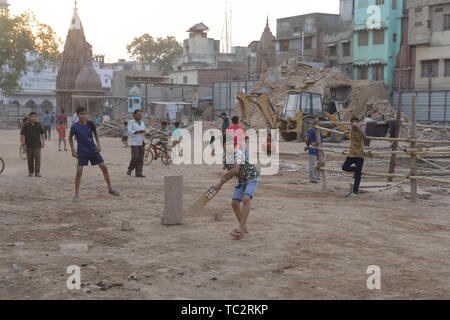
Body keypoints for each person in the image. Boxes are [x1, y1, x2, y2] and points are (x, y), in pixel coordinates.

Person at [69, 107, 120, 202]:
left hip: (93, 150)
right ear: (77, 115)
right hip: (81, 152)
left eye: (85, 114)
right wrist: (72, 150)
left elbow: (96, 134)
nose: (83, 116)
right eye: (81, 114)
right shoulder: (74, 127)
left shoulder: (90, 124)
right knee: (79, 172)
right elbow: (70, 138)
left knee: (104, 167)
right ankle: (76, 194)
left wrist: (99, 144)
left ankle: (110, 188)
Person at [216, 135, 261, 240]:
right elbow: (231, 174)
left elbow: (235, 170)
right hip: (242, 180)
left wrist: (224, 176)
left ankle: (241, 227)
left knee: (246, 198)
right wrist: (220, 184)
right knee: (234, 203)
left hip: (252, 176)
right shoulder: (225, 158)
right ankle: (243, 226)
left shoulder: (237, 153)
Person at [342, 116, 367, 197]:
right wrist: (346, 132)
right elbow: (350, 136)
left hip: (359, 155)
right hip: (352, 154)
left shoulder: (360, 129)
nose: (354, 123)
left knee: (358, 176)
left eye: (355, 122)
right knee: (344, 167)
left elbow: (365, 137)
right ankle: (357, 170)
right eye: (352, 122)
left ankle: (355, 192)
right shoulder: (352, 130)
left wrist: (358, 127)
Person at [20, 112, 45, 177]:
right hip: (29, 145)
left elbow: (42, 133)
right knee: (30, 159)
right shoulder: (26, 125)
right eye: (32, 116)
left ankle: (37, 172)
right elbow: (22, 135)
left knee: (38, 159)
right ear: (29, 117)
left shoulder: (38, 125)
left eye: (35, 116)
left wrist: (43, 142)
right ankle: (30, 172)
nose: (34, 118)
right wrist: (23, 144)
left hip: (37, 145)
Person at [127, 110, 147, 178]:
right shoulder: (131, 123)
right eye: (138, 114)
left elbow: (145, 130)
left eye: (140, 115)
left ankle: (139, 173)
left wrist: (148, 132)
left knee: (141, 158)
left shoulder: (142, 122)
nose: (140, 116)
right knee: (135, 157)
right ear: (134, 115)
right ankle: (130, 169)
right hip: (134, 142)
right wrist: (138, 131)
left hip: (142, 141)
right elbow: (130, 132)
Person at [305, 119, 323, 184]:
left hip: (319, 149)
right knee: (312, 164)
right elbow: (307, 139)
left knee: (321, 162)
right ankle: (313, 178)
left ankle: (317, 176)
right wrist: (308, 145)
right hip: (313, 150)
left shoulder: (319, 130)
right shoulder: (312, 130)